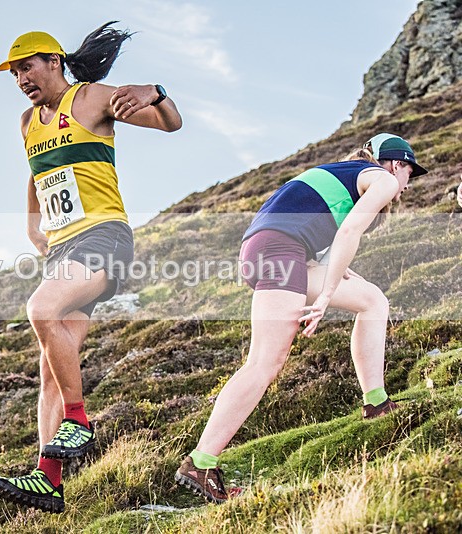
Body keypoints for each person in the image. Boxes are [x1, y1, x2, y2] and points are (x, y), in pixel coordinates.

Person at [0, 22, 182, 513]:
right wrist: (32, 226)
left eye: (27, 68)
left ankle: (78, 419)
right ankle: (47, 478)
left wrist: (156, 92)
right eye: (14, 74)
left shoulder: (91, 98)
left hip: (103, 236)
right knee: (51, 369)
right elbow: (38, 173)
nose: (21, 80)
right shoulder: (28, 122)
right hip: (62, 249)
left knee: (41, 309)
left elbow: (171, 124)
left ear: (54, 62)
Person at [175, 133, 429, 504]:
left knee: (373, 300)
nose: (407, 184)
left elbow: (309, 222)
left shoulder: (345, 172)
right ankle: (200, 463)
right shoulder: (383, 179)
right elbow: (350, 230)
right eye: (410, 173)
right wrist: (325, 293)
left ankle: (376, 402)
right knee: (264, 362)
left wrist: (328, 270)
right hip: (281, 250)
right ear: (396, 164)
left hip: (267, 248)